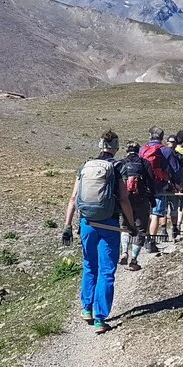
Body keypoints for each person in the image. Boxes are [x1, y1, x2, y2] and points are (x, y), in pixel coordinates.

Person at [61, 130, 134, 334]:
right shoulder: (118, 166)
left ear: (100, 145)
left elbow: (73, 198)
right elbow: (124, 199)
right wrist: (131, 224)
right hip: (109, 224)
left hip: (87, 224)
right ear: (116, 147)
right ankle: (101, 318)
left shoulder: (85, 166)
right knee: (107, 271)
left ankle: (86, 308)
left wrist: (67, 226)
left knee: (89, 266)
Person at [140, 126, 180, 250]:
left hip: (143, 185)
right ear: (162, 137)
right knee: (156, 213)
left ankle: (145, 238)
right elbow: (175, 169)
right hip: (159, 185)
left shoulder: (142, 150)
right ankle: (151, 241)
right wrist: (178, 184)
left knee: (147, 213)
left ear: (150, 136)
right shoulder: (166, 151)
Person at [118, 140, 154, 271]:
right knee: (140, 229)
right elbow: (151, 182)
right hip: (141, 199)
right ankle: (133, 260)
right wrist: (153, 199)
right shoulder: (144, 163)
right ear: (138, 151)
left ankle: (124, 252)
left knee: (125, 227)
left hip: (125, 200)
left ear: (126, 151)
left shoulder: (121, 163)